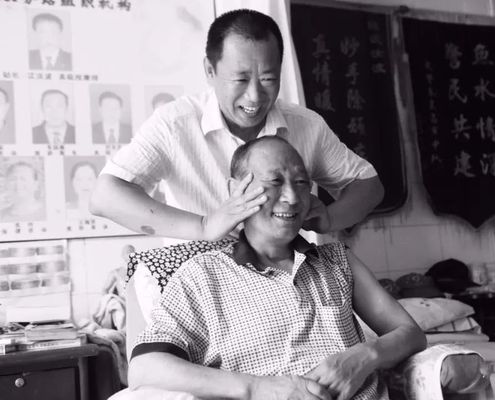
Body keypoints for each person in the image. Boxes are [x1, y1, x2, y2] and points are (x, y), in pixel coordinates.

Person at [127, 136, 425, 400]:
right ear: (236, 190)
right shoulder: (203, 275)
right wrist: (256, 389)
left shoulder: (337, 260)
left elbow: (410, 333)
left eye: (301, 183)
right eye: (274, 182)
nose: (292, 198)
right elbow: (144, 368)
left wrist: (364, 356)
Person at [90, 9, 384, 241]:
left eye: (268, 79)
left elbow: (368, 185)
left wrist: (330, 219)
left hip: (281, 281)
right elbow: (105, 196)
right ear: (210, 70)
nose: (255, 96)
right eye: (240, 79)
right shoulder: (174, 124)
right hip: (199, 281)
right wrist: (205, 226)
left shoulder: (306, 126)